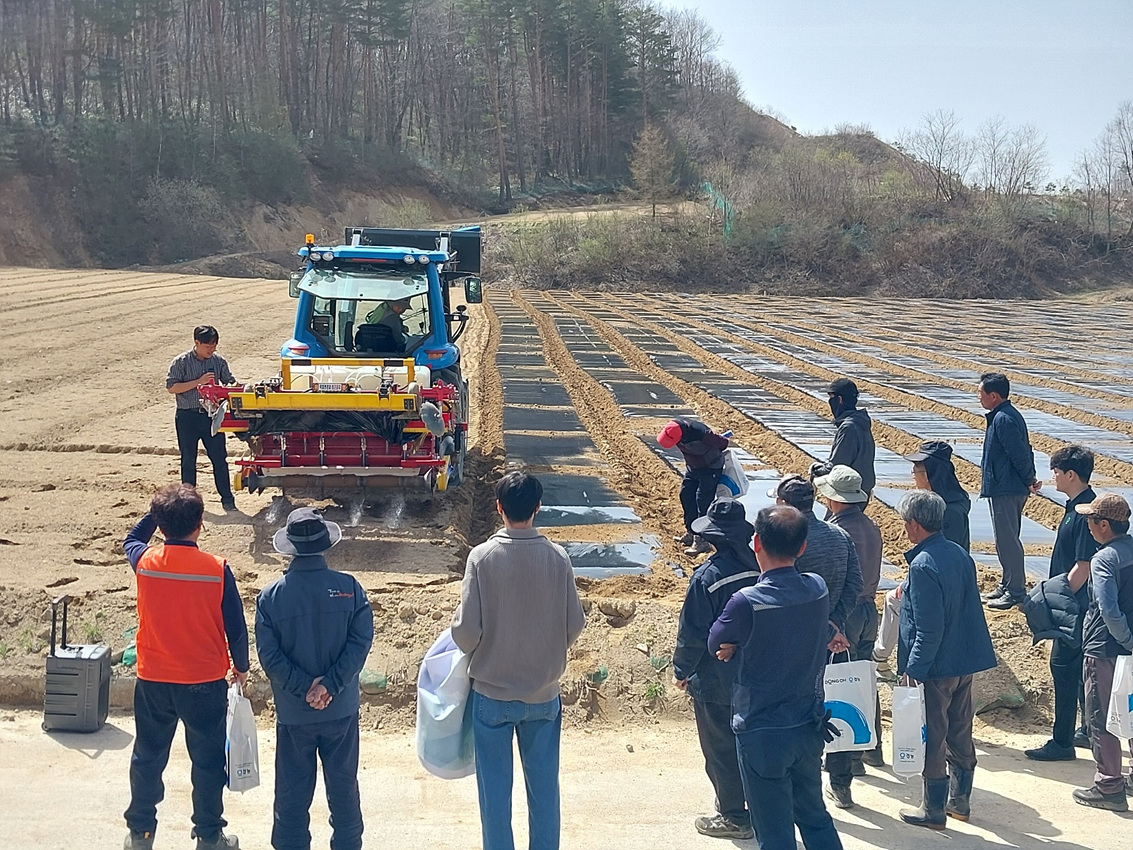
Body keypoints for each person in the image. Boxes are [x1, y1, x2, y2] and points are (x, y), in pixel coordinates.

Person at [451, 471, 586, 850]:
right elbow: (575, 623)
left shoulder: (482, 558)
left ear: (499, 508)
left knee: (494, 796)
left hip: (492, 697)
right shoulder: (557, 557)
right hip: (543, 696)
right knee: (545, 793)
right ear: (538, 507)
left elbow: (466, 632)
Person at [708, 505, 844, 850]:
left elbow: (715, 643)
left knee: (774, 832)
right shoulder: (817, 588)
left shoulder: (746, 603)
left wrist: (736, 645)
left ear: (756, 542)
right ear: (802, 547)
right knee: (814, 816)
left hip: (762, 731)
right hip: (808, 725)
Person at [122, 484, 249, 850]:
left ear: (161, 526)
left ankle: (141, 834)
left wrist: (156, 515)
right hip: (203, 682)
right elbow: (236, 628)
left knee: (148, 757)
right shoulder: (216, 570)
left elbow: (131, 539)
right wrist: (241, 668)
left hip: (154, 679)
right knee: (208, 763)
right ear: (200, 523)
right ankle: (209, 836)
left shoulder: (146, 562)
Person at [256, 508, 374, 850]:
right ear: (325, 545)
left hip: (295, 714)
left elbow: (270, 657)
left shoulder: (270, 597)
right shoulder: (350, 589)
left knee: (291, 796)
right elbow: (360, 644)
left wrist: (305, 687)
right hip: (340, 711)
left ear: (289, 547)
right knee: (344, 791)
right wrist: (329, 686)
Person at [895, 490, 996, 830]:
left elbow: (928, 629)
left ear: (914, 524)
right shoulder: (958, 554)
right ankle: (960, 801)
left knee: (934, 735)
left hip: (936, 666)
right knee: (960, 728)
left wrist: (913, 671)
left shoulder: (922, 564)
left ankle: (933, 808)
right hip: (963, 659)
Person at [770, 473, 863, 809]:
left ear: (784, 505)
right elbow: (855, 584)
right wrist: (834, 625)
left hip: (792, 642)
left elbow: (780, 590)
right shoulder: (840, 536)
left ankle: (795, 783)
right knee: (833, 706)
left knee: (794, 712)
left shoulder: (785, 539)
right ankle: (841, 785)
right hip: (831, 641)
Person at [672, 499, 761, 841]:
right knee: (752, 743)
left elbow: (693, 633)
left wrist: (682, 669)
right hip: (758, 675)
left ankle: (733, 816)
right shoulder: (761, 568)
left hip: (716, 679)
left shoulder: (707, 578)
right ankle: (757, 807)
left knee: (720, 748)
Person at [1025, 445, 1099, 762]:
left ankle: (1062, 742)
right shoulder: (1075, 507)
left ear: (1071, 475)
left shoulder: (1085, 513)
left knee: (1064, 669)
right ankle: (1087, 730)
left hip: (1074, 607)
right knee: (1079, 671)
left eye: (1056, 471)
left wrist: (1056, 597)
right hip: (1075, 604)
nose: (1052, 476)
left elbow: (1083, 566)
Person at [814, 465, 886, 783]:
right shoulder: (871, 526)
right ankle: (873, 747)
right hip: (870, 610)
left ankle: (850, 756)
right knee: (863, 678)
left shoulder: (838, 531)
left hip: (848, 614)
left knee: (838, 680)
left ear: (835, 499)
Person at [875, 441, 972, 667]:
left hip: (943, 585)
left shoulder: (948, 512)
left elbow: (941, 559)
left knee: (893, 600)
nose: (913, 475)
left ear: (929, 475)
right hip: (944, 578)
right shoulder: (951, 500)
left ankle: (879, 657)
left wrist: (911, 583)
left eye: (916, 470)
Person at [1072, 493, 1133, 812]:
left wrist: (1126, 639)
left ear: (1105, 525)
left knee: (1102, 716)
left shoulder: (1104, 559)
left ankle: (1109, 785)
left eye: (1091, 520)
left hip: (1106, 648)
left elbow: (1108, 608)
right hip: (1129, 649)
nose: (1088, 525)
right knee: (1131, 712)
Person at [977, 372, 1041, 610]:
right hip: (1003, 486)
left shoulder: (1004, 419)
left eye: (981, 393)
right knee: (1003, 540)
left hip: (1007, 488)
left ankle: (1016, 591)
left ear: (994, 396)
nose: (978, 397)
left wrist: (1029, 478)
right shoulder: (1002, 416)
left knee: (1008, 541)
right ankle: (1006, 584)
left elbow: (1019, 453)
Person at [166, 325, 238, 511]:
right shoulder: (181, 362)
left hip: (211, 417)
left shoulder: (218, 361)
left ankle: (228, 500)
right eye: (208, 346)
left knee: (219, 459)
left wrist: (232, 389)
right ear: (196, 343)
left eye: (214, 346)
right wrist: (199, 382)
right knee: (188, 460)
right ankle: (188, 503)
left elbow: (230, 382)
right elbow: (172, 387)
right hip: (187, 417)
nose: (211, 350)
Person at [658, 418, 730, 556]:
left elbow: (723, 444)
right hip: (693, 468)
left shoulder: (699, 431)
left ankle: (702, 539)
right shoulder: (675, 429)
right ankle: (691, 532)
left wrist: (714, 442)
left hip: (710, 468)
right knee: (685, 495)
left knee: (703, 501)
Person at [810, 378, 876, 499]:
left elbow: (838, 464)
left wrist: (818, 470)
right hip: (862, 488)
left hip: (849, 491)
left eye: (831, 398)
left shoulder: (848, 428)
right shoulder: (860, 422)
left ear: (839, 400)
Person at [906, 441, 971, 552]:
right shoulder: (934, 503)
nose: (913, 477)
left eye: (915, 472)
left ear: (927, 475)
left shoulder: (950, 513)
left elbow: (947, 554)